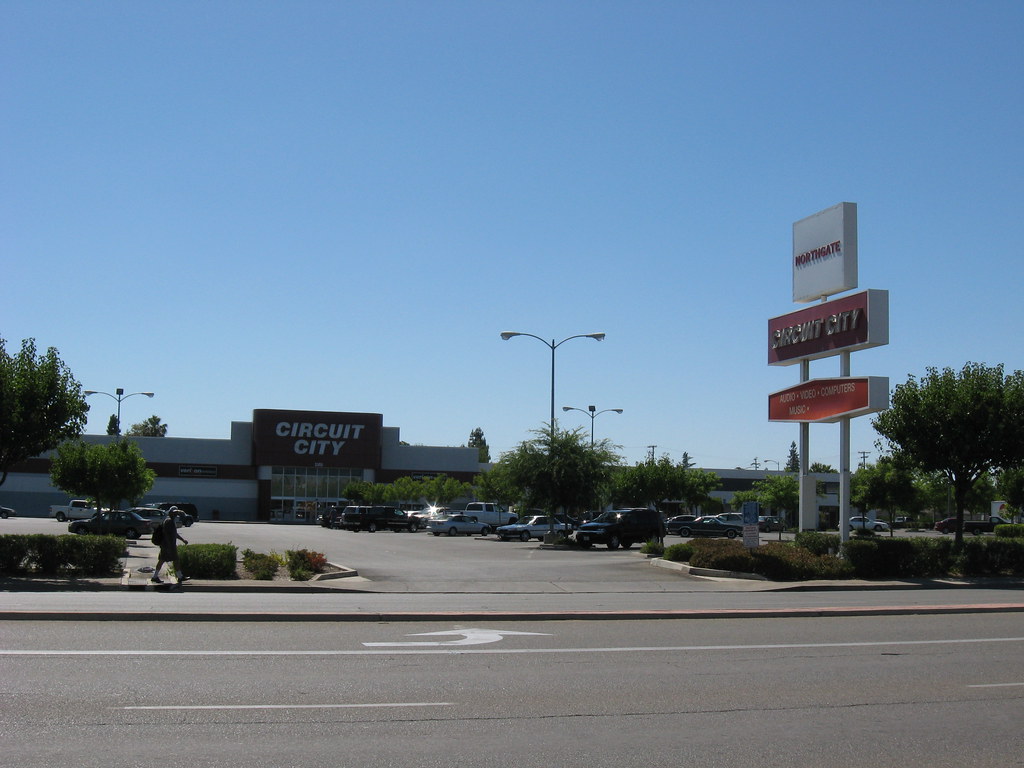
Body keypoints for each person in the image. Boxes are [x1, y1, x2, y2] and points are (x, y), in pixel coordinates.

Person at [151, 508, 190, 585]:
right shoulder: (169, 521)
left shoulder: (171, 521)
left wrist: (182, 540)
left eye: (176, 514)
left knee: (168, 560)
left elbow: (174, 534)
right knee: (169, 560)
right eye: (174, 513)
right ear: (171, 513)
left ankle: (179, 576)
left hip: (168, 545)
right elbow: (166, 534)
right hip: (168, 545)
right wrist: (169, 546)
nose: (176, 515)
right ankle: (179, 576)